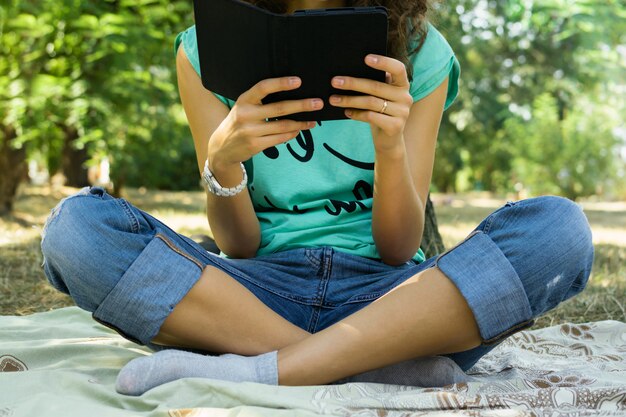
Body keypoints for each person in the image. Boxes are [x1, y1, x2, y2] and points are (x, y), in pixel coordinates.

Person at [40, 0, 594, 396]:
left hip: (395, 300)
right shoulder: (204, 51)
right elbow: (240, 244)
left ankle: (264, 368)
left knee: (558, 230)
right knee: (76, 228)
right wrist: (223, 159)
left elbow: (399, 248)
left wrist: (391, 147)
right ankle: (366, 366)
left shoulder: (422, 51)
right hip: (252, 294)